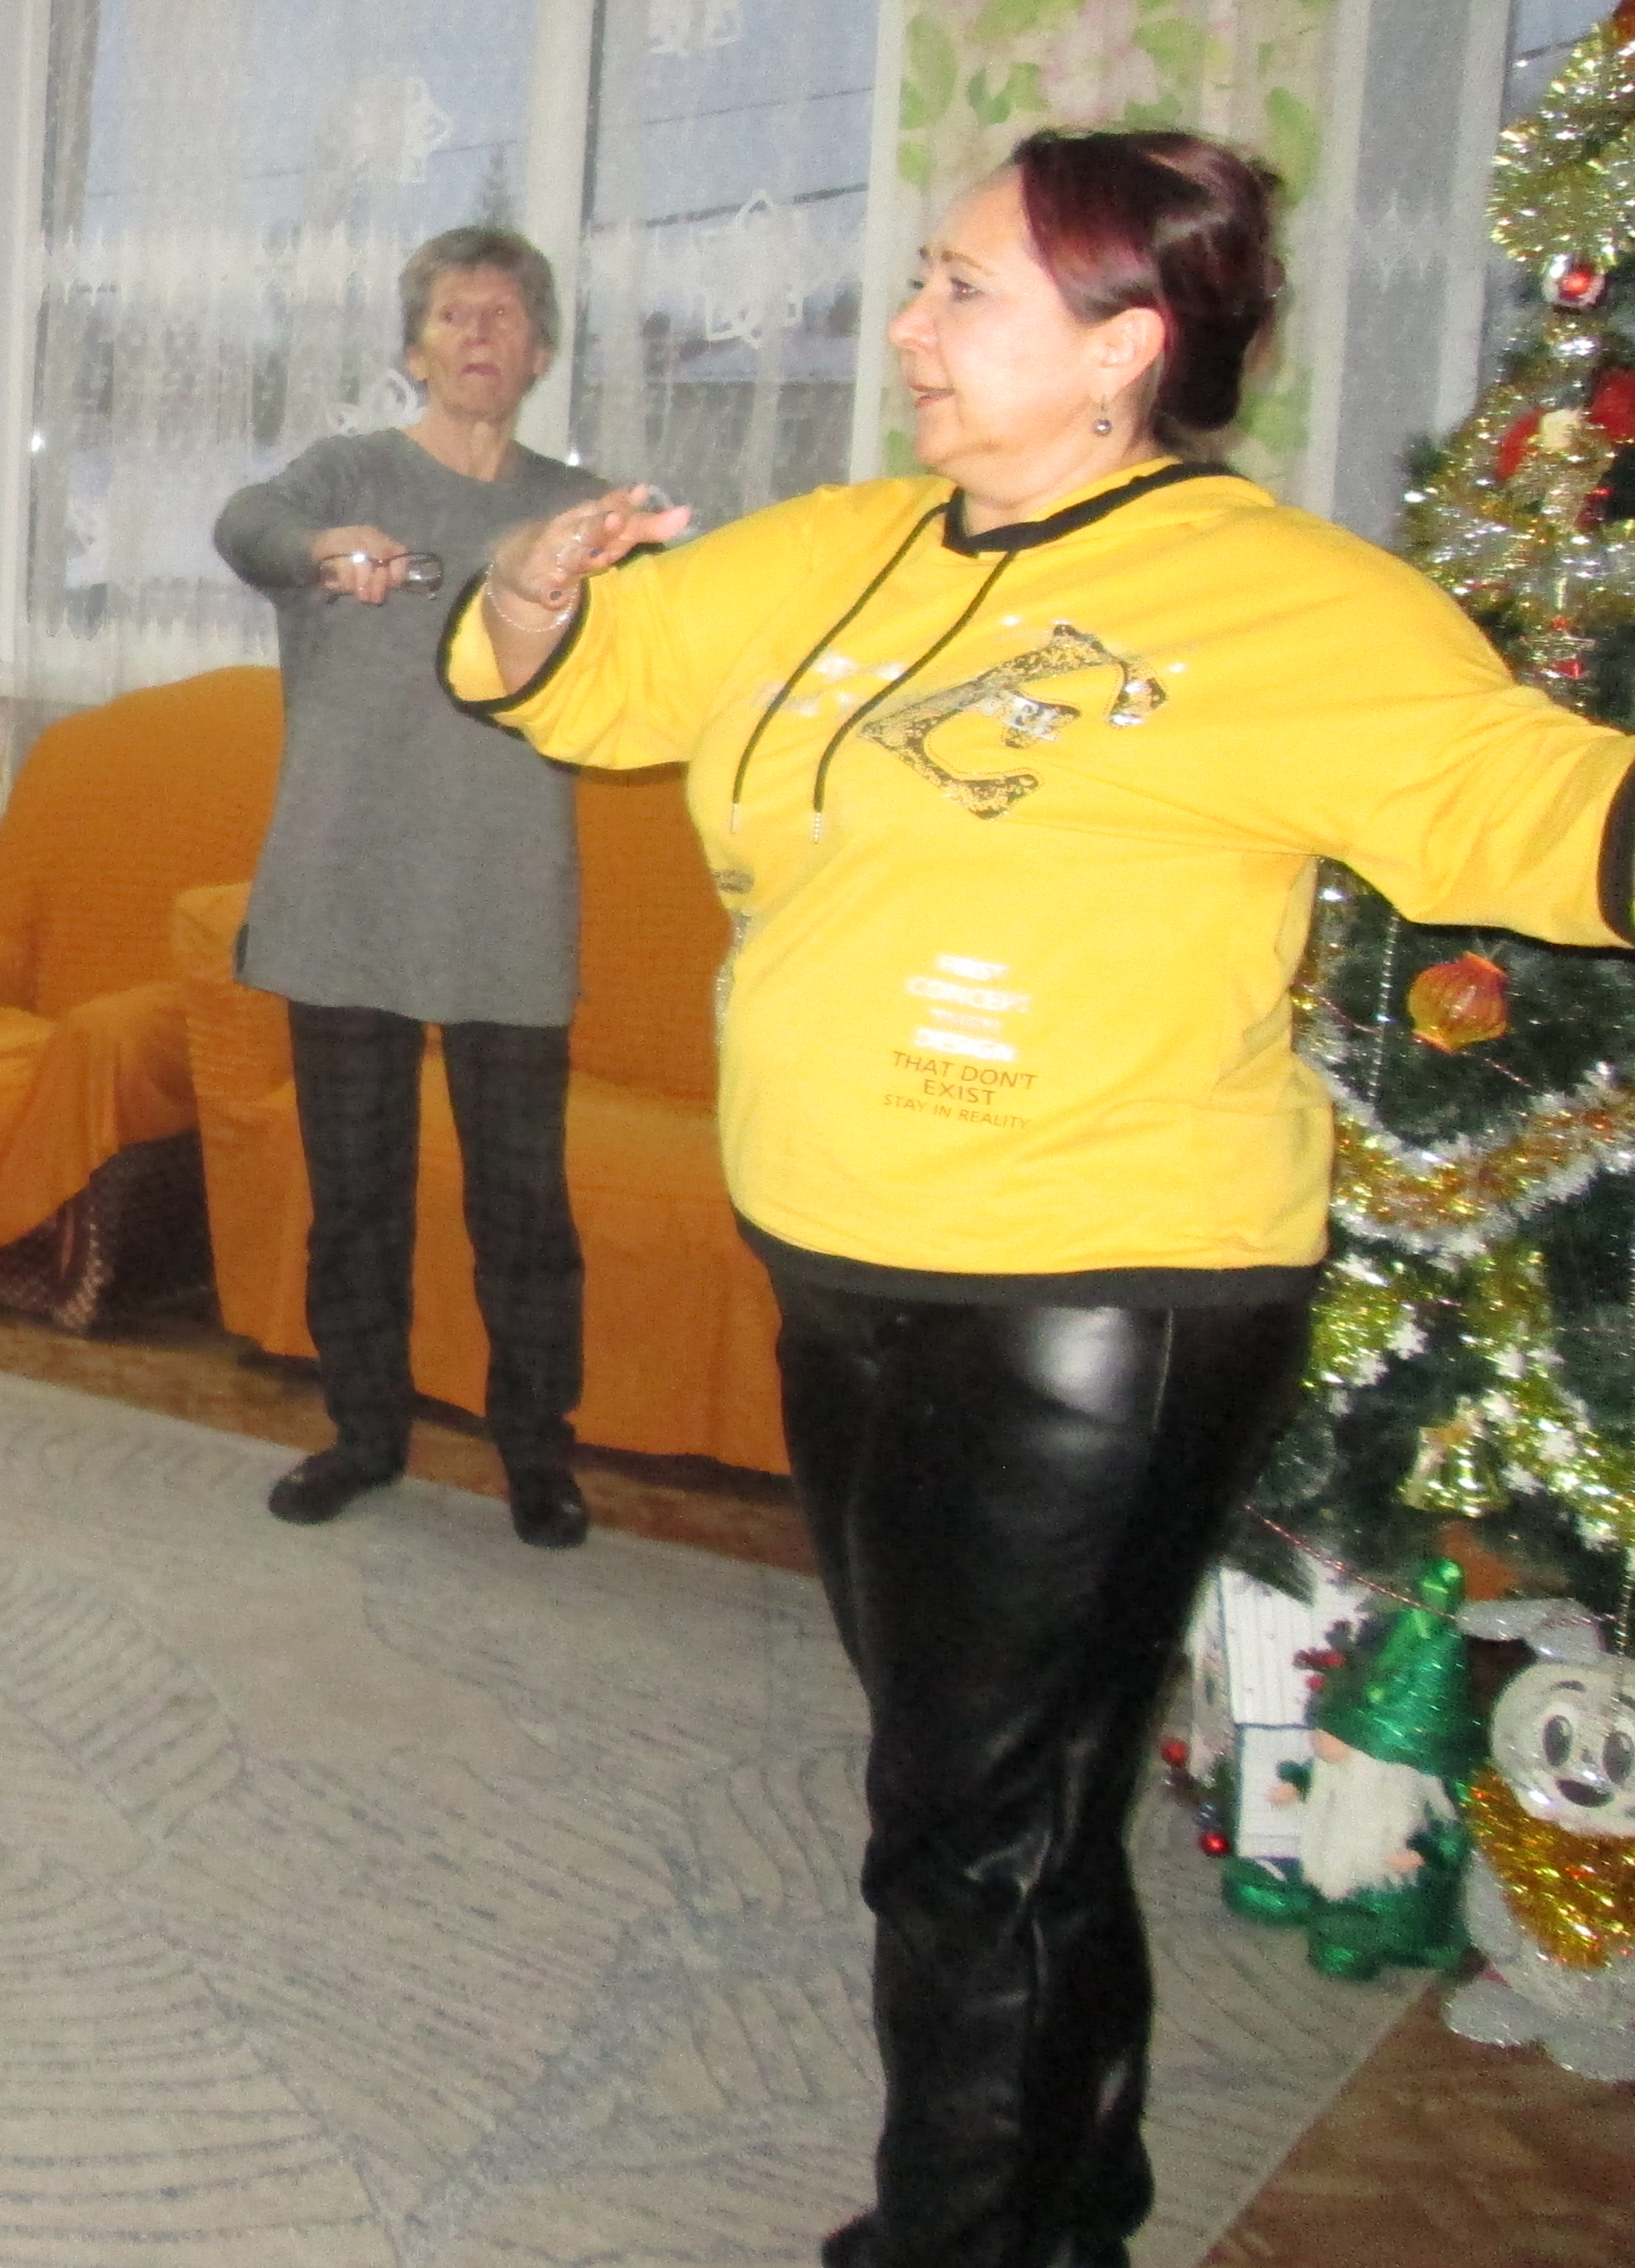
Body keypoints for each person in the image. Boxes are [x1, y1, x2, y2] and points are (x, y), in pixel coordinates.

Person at [448, 128, 1635, 2268]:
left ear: (1123, 346)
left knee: (962, 1831)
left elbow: (1530, 807)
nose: (907, 326)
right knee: (1018, 1798)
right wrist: (528, 595)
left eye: (963, 288)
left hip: (1097, 1288)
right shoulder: (843, 547)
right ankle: (1068, 2206)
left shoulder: (1284, 601)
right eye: (921, 278)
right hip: (845, 1258)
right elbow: (591, 680)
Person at [214, 227, 607, 1550]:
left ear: (540, 352)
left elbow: (668, 647)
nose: (479, 334)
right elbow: (244, 524)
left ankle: (537, 1457)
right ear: (414, 349)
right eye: (452, 315)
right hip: (343, 893)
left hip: (507, 900)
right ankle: (364, 1436)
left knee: (524, 1208)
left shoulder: (578, 512)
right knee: (355, 1197)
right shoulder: (348, 474)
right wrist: (325, 545)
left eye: (504, 316)